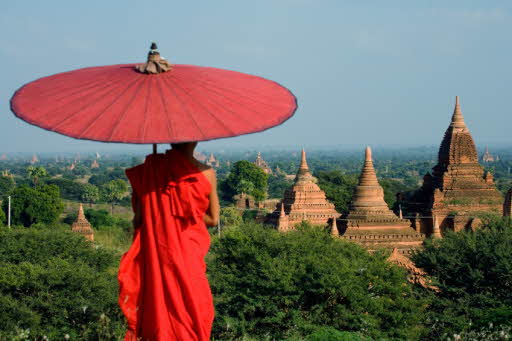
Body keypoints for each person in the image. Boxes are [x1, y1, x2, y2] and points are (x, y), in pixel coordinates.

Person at [118, 142, 220, 341]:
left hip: (158, 256)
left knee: (158, 314)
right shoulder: (206, 173)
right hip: (189, 257)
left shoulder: (149, 171)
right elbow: (213, 219)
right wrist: (184, 214)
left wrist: (158, 207)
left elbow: (138, 219)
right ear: (195, 140)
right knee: (194, 312)